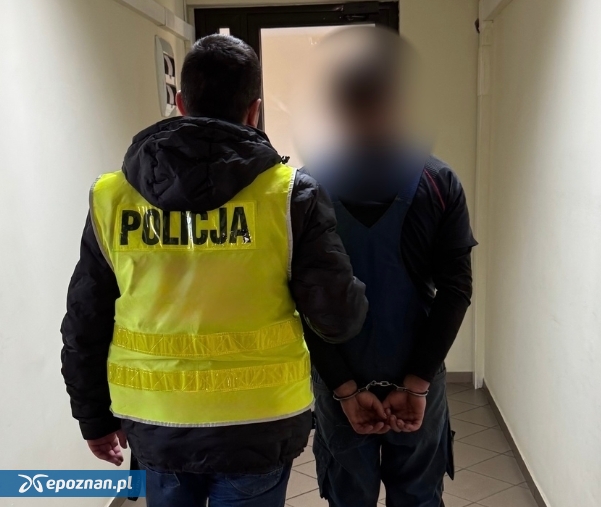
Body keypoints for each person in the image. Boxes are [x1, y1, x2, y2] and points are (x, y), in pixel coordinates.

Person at [60, 34, 367, 507]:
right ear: (254, 111)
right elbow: (337, 320)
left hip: (157, 420)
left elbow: (85, 320)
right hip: (259, 423)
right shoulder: (289, 196)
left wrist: (93, 416)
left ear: (181, 104)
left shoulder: (112, 198)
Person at [299, 28, 477, 507]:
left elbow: (303, 300)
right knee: (416, 496)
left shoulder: (307, 189)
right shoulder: (438, 182)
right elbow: (456, 290)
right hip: (412, 374)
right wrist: (416, 383)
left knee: (348, 496)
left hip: (345, 380)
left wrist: (344, 388)